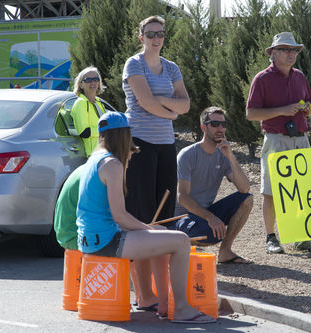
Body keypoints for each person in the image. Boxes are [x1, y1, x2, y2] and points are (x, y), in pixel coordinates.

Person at [76, 111, 215, 324]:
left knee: (162, 237)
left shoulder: (93, 159)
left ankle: (158, 301)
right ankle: (181, 309)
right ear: (124, 136)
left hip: (90, 238)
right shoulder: (112, 164)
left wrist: (146, 229)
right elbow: (119, 215)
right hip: (105, 240)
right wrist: (147, 228)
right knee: (180, 241)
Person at [122, 15, 190, 308]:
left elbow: (186, 104)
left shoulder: (172, 67)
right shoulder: (133, 64)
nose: (156, 38)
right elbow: (145, 102)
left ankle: (161, 293)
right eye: (150, 34)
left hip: (165, 145)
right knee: (141, 217)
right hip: (140, 145)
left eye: (160, 33)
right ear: (141, 37)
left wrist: (168, 108)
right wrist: (171, 110)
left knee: (162, 214)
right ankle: (143, 294)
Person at [246, 32, 311, 254]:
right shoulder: (262, 79)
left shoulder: (299, 76)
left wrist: (309, 109)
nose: (291, 54)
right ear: (273, 53)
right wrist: (282, 110)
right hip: (276, 139)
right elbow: (251, 113)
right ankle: (271, 238)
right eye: (286, 50)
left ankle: (302, 237)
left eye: (294, 50)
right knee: (270, 191)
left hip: (301, 138)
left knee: (304, 189)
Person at [168, 107, 253, 264]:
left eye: (223, 124)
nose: (220, 129)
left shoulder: (223, 154)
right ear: (203, 127)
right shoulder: (187, 155)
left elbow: (244, 188)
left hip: (204, 213)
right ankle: (177, 247)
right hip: (182, 217)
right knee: (210, 234)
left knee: (247, 199)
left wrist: (231, 156)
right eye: (214, 124)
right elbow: (183, 197)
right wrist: (211, 218)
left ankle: (226, 251)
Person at [71, 66, 107, 157]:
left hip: (104, 151)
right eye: (88, 80)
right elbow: (84, 132)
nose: (93, 82)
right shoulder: (80, 103)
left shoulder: (99, 103)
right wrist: (107, 131)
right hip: (92, 155)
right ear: (81, 84)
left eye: (96, 79)